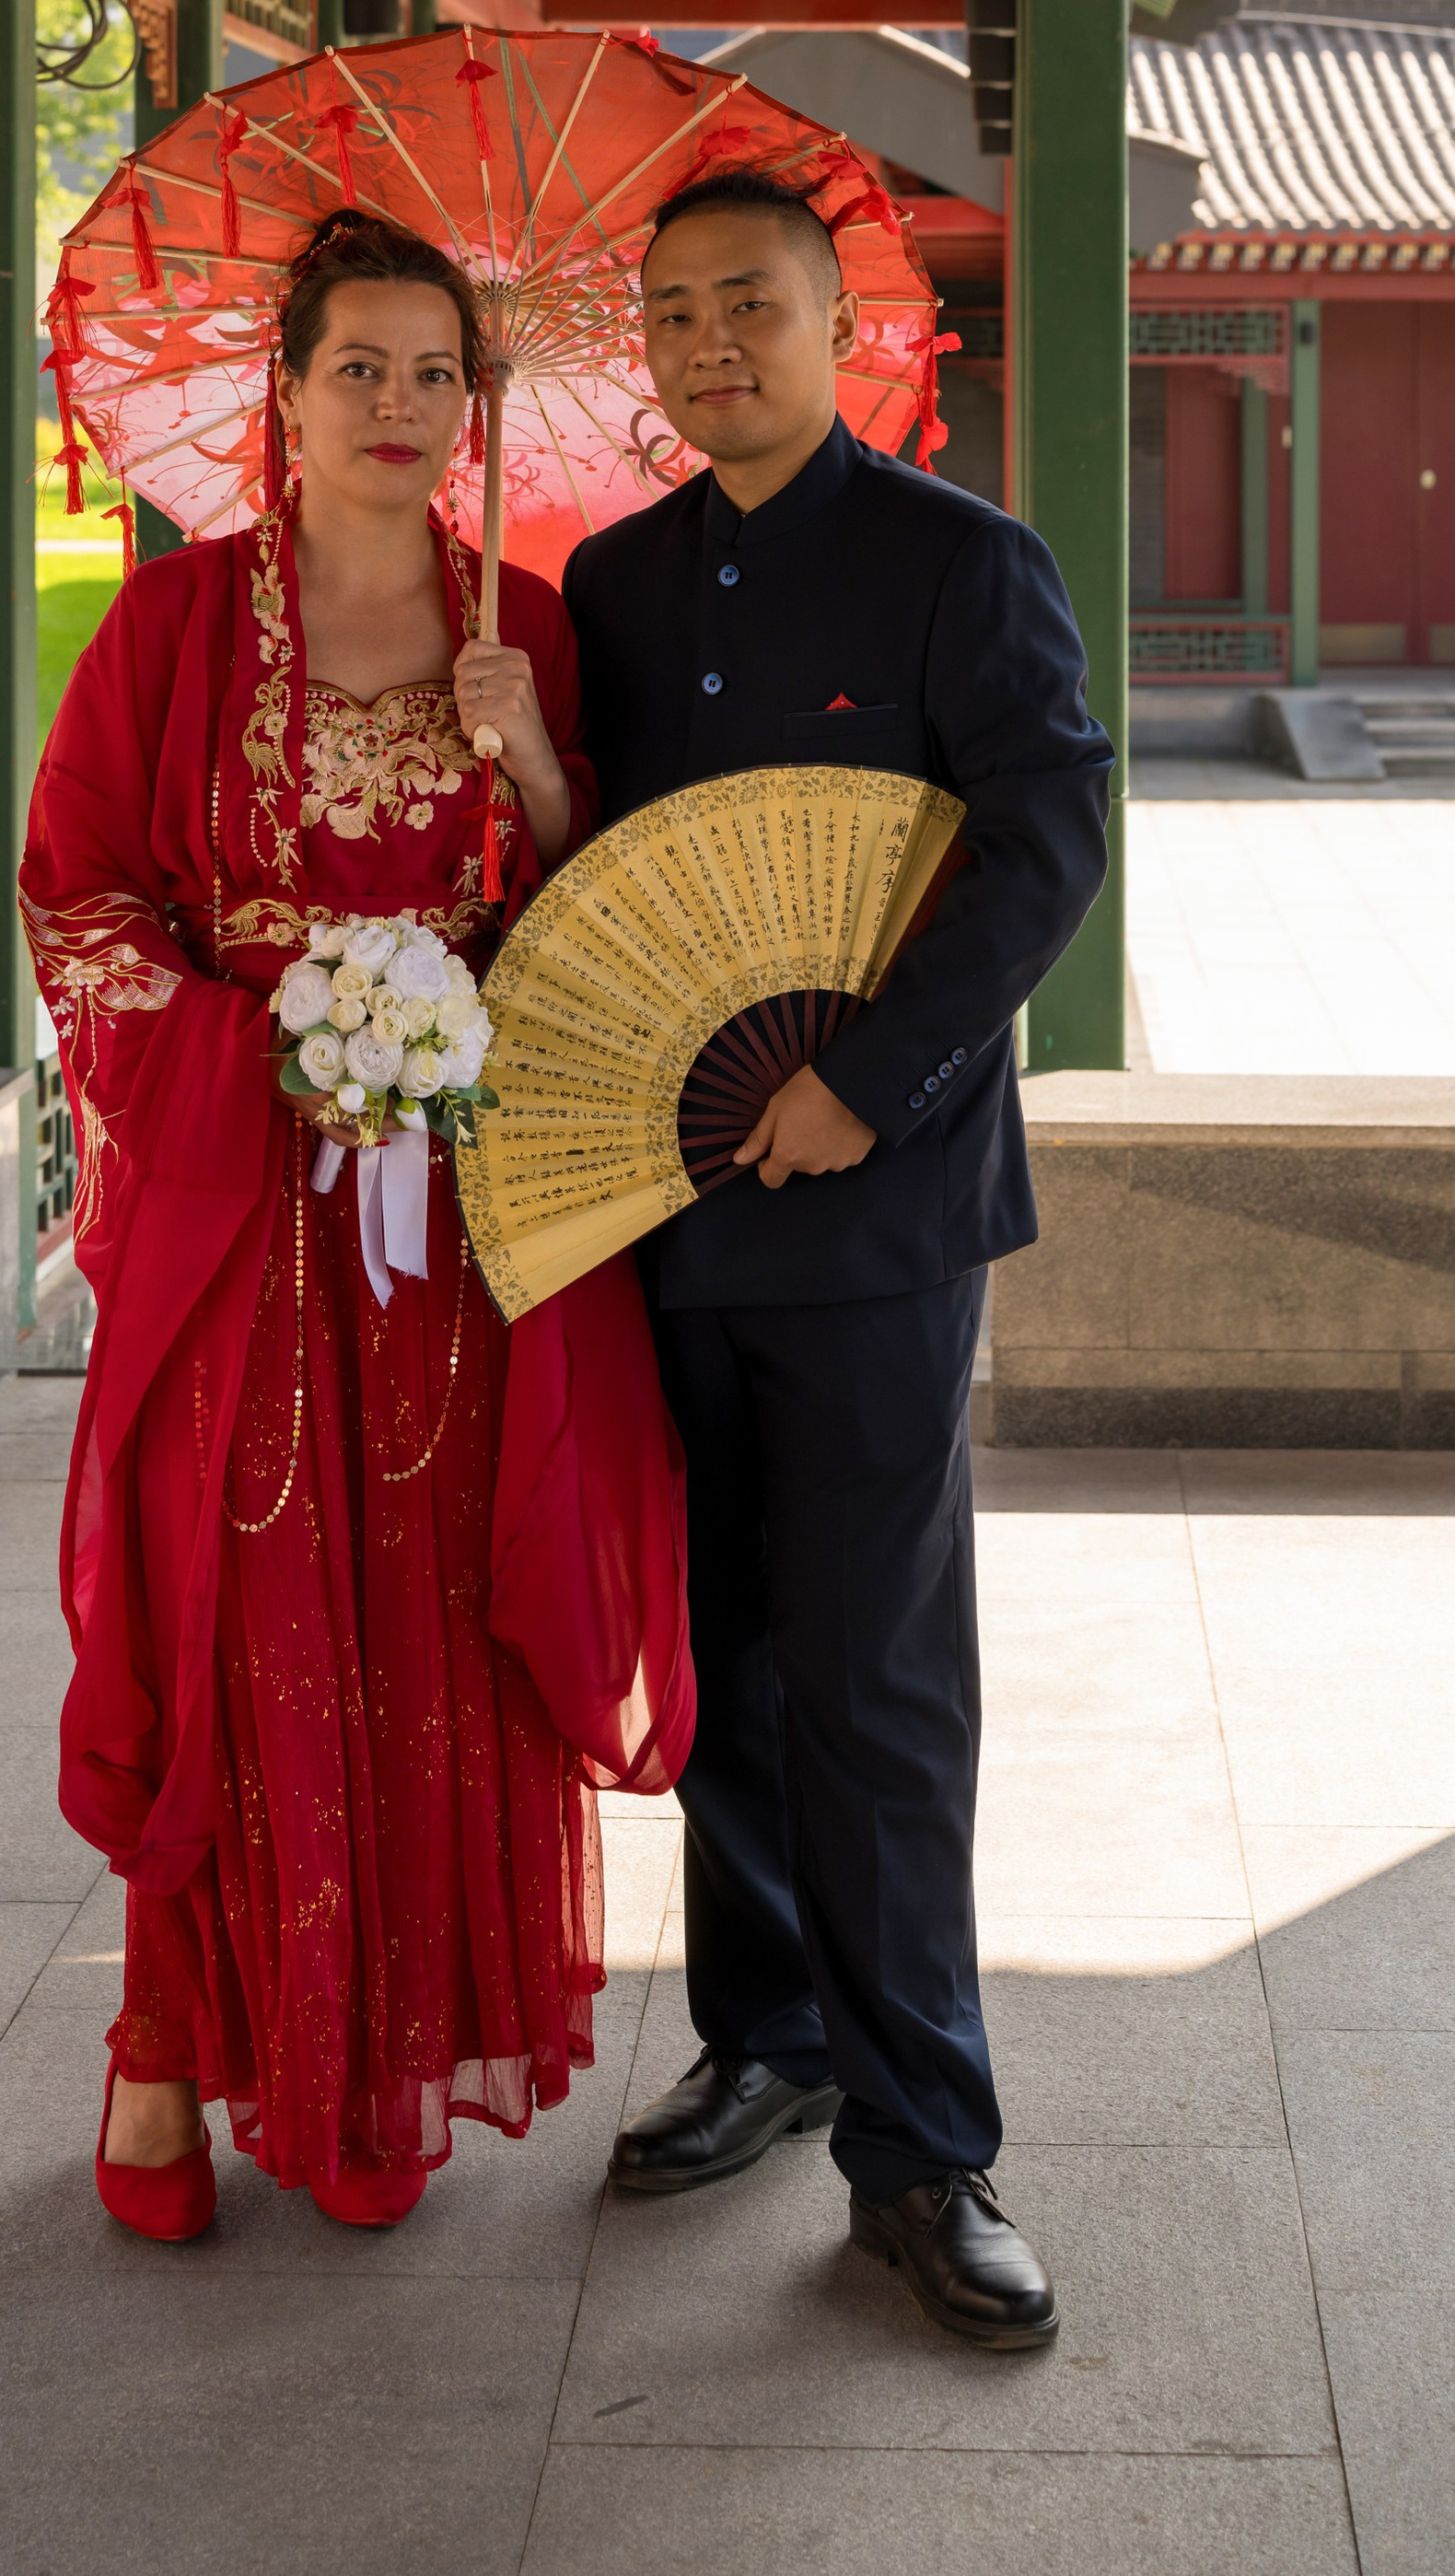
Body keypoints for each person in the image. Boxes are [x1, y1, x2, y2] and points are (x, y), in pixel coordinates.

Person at [23, 207, 690, 2240]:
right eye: (357, 369)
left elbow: (589, 912)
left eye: (433, 373)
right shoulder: (171, 630)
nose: (396, 406)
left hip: (463, 1230)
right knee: (236, 1628)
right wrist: (271, 1057)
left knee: (430, 1630)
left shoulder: (536, 625)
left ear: (473, 406)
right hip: (245, 1222)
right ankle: (164, 2053)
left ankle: (378, 2056)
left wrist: (533, 761)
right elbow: (82, 901)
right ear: (282, 395)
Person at [561, 166, 1112, 2351]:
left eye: (751, 309)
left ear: (837, 320)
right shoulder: (601, 584)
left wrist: (867, 1078)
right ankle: (767, 2035)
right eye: (674, 317)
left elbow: (1046, 832)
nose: (712, 348)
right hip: (662, 1203)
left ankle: (925, 2144)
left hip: (873, 1209)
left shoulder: (961, 568)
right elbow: (603, 890)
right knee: (725, 1663)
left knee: (879, 1680)